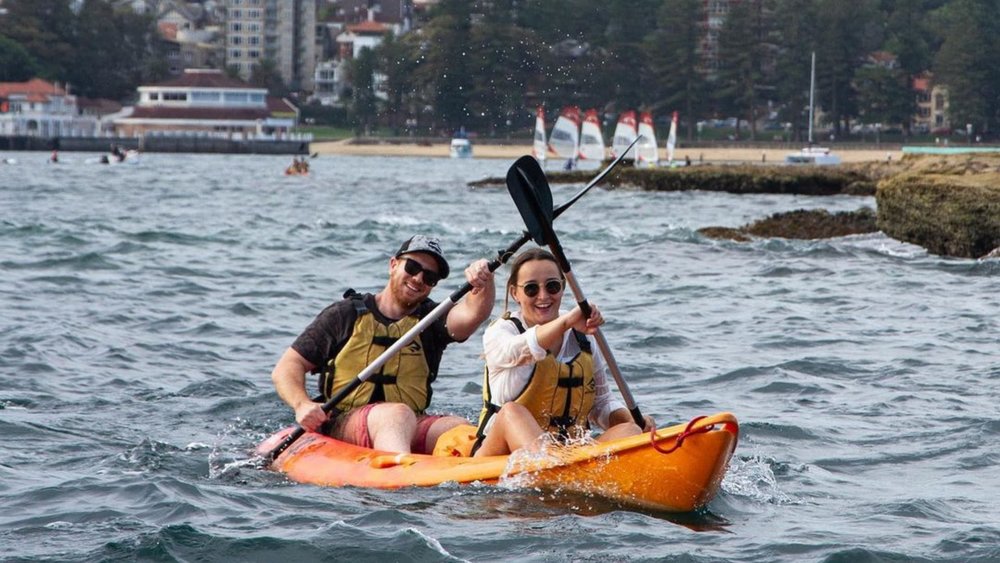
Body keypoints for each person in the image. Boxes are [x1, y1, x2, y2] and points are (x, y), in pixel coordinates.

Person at [270, 235, 495, 454]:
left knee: (458, 428)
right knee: (396, 415)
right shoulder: (344, 315)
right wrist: (302, 405)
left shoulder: (432, 319)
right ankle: (400, 480)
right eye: (412, 267)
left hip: (409, 422)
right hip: (344, 422)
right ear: (393, 265)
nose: (418, 279)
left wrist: (483, 282)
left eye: (429, 277)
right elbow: (289, 365)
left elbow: (473, 313)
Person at [468, 247, 654, 457]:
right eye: (531, 289)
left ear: (563, 287)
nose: (543, 296)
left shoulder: (583, 334)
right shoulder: (500, 331)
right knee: (512, 412)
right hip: (499, 453)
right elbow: (523, 349)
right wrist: (565, 322)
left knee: (630, 430)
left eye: (552, 286)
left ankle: (571, 471)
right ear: (515, 293)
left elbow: (601, 402)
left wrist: (634, 421)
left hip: (568, 452)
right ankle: (553, 468)